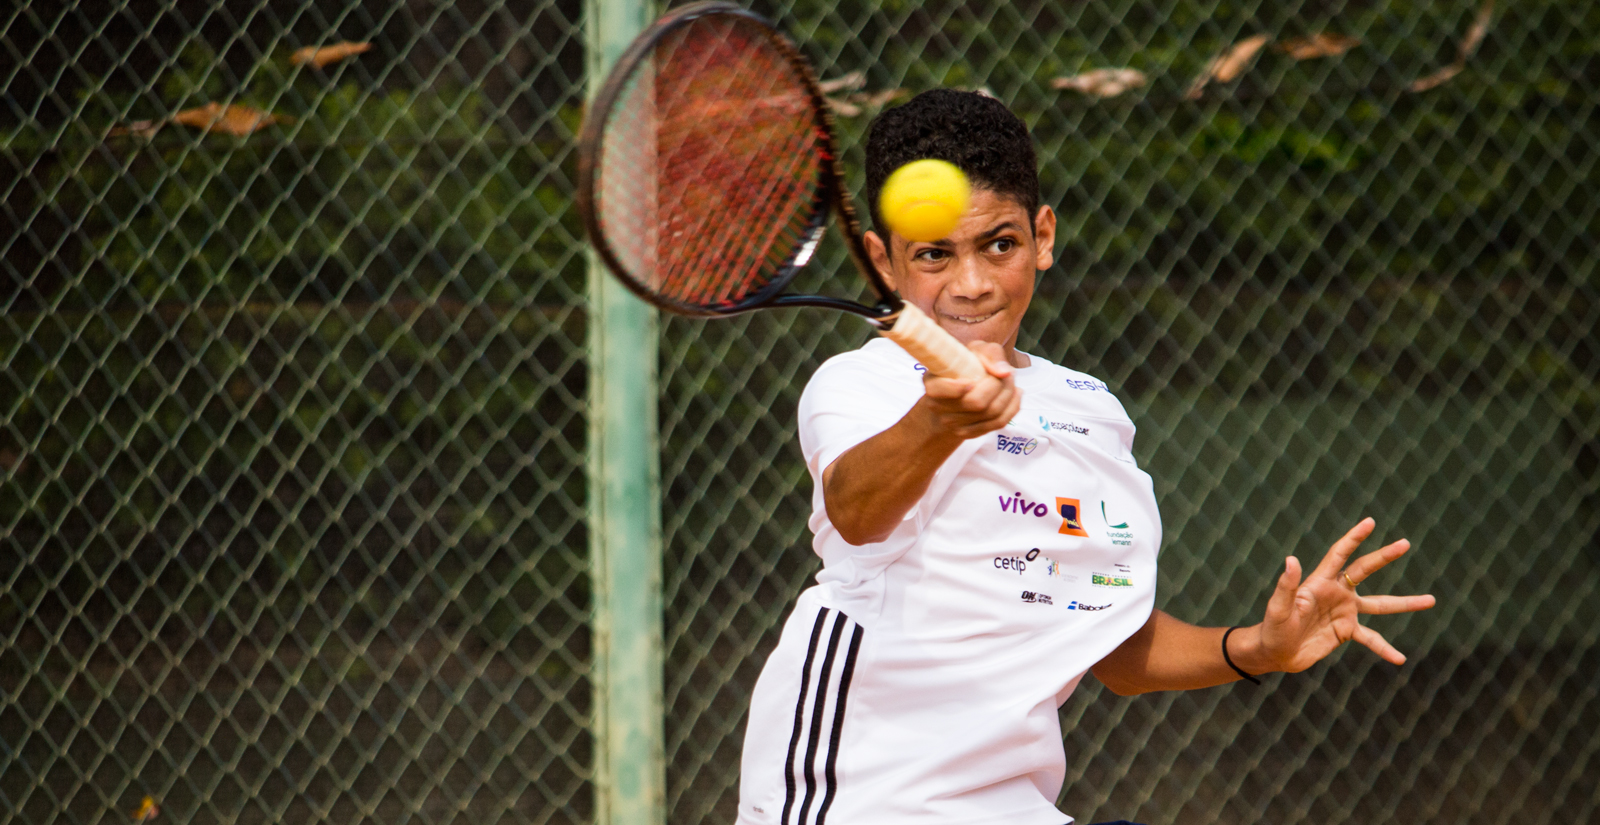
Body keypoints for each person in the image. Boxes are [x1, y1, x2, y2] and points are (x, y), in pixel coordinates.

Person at [735, 89, 1435, 825]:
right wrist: (940, 421)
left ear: (1043, 236)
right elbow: (855, 511)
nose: (970, 283)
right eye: (934, 254)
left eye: (998, 244)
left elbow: (1113, 645)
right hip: (855, 798)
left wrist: (1256, 646)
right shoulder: (860, 384)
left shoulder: (1090, 411)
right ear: (883, 260)